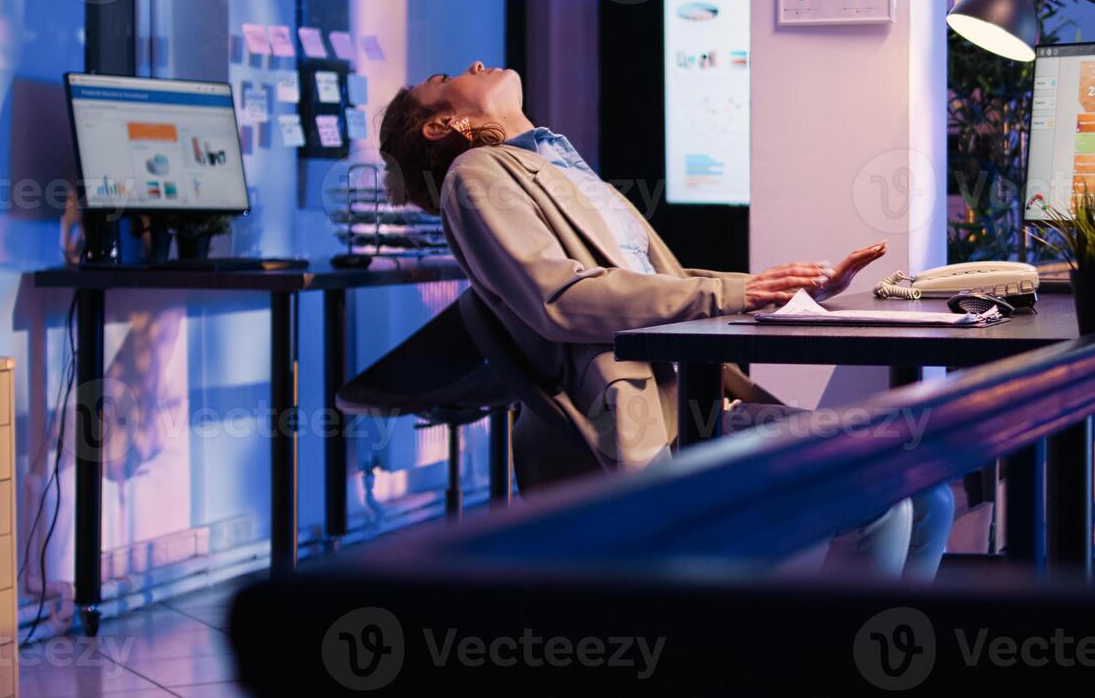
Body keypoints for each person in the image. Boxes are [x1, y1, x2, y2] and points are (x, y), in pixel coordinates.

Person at [378, 62, 952, 577]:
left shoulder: (553, 166)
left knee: (925, 486)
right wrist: (738, 293)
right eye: (446, 79)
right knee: (879, 492)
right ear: (441, 125)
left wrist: (785, 290)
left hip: (697, 403)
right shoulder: (475, 174)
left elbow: (659, 284)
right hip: (652, 426)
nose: (476, 64)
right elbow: (562, 298)